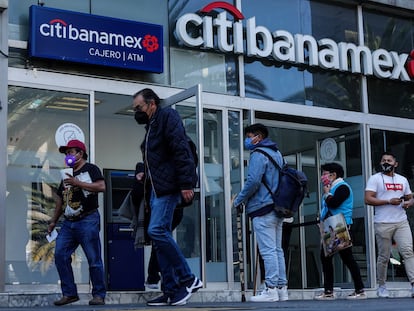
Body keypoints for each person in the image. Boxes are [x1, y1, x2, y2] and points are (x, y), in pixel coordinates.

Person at [132, 88, 202, 306]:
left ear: (152, 103)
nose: (137, 112)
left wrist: (186, 184)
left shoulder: (167, 116)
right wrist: (144, 170)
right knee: (158, 238)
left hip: (170, 187)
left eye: (139, 107)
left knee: (156, 230)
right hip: (156, 188)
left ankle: (189, 279)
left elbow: (181, 150)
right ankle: (170, 290)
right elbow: (157, 159)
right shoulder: (151, 126)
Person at [233, 123, 288, 302]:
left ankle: (270, 289)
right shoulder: (277, 153)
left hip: (262, 207)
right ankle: (282, 289)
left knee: (268, 250)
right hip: (278, 207)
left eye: (249, 136)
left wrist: (239, 199)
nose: (247, 140)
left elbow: (253, 181)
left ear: (258, 137)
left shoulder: (258, 154)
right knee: (277, 249)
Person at [47, 139, 106, 306]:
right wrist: (53, 221)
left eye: (70, 152)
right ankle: (70, 293)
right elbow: (61, 200)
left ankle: (99, 295)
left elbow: (101, 186)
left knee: (93, 259)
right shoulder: (66, 172)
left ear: (80, 153)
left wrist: (77, 182)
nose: (67, 156)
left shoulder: (91, 169)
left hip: (88, 219)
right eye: (66, 153)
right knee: (60, 254)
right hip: (68, 222)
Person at [365, 151, 414, 298]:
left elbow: (410, 197)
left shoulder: (402, 180)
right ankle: (382, 285)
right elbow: (368, 199)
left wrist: (408, 203)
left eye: (389, 161)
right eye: (383, 160)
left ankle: (413, 283)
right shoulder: (375, 179)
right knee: (384, 256)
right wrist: (388, 201)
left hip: (401, 221)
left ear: (395, 164)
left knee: (407, 251)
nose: (386, 163)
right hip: (382, 222)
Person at [315, 162, 366, 300]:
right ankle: (331, 291)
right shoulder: (334, 187)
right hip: (332, 226)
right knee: (331, 258)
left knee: (344, 258)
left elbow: (334, 203)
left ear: (333, 175)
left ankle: (356, 290)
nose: (322, 177)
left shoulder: (342, 187)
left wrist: (326, 194)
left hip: (340, 225)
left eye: (325, 173)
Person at [131, 162, 184, 290]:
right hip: (163, 211)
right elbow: (136, 195)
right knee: (161, 245)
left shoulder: (167, 168)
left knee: (161, 244)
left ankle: (177, 278)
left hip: (168, 211)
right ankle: (170, 282)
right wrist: (139, 178)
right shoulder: (149, 169)